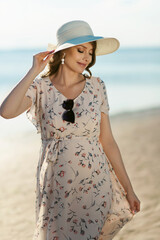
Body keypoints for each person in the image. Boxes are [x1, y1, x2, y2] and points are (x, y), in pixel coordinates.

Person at [0, 20, 140, 240]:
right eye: (80, 50)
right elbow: (6, 112)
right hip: (57, 182)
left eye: (90, 52)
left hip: (96, 180)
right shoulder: (40, 88)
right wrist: (34, 70)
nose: (86, 57)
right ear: (63, 52)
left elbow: (108, 141)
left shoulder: (97, 86)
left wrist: (128, 189)